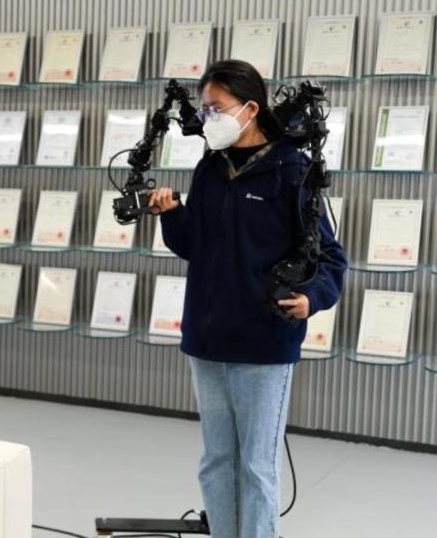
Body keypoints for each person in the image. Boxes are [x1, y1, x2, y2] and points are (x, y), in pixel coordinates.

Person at [147, 59, 347, 538]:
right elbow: (196, 245)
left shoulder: (293, 172)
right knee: (217, 461)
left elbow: (331, 257)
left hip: (263, 343)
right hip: (207, 339)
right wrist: (172, 213)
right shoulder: (210, 168)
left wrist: (311, 297)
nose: (207, 117)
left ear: (251, 109)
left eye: (217, 108)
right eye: (205, 109)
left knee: (257, 466)